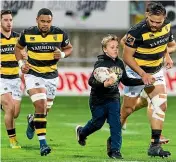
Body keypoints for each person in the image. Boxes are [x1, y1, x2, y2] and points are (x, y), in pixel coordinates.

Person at [120, 2, 176, 158]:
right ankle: (115, 136)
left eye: (158, 22)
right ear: (147, 15)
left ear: (164, 18)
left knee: (161, 104)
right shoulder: (137, 31)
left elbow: (168, 44)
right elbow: (126, 56)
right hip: (135, 72)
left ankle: (155, 145)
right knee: (127, 109)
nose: (155, 25)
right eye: (152, 21)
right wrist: (143, 74)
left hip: (156, 71)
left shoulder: (166, 26)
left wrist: (166, 56)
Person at [75, 34, 145, 159]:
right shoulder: (100, 63)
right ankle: (81, 132)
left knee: (116, 124)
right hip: (98, 99)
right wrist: (104, 84)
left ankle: (115, 151)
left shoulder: (119, 63)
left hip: (113, 98)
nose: (115, 49)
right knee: (97, 123)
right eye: (112, 47)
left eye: (117, 47)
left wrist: (143, 81)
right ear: (105, 49)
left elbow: (126, 81)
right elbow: (91, 81)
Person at [14, 8, 73, 156]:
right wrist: (22, 65)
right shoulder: (27, 33)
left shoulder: (59, 33)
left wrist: (63, 54)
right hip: (33, 74)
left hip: (51, 75)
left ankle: (32, 120)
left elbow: (69, 48)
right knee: (40, 105)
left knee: (45, 111)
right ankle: (43, 144)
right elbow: (18, 48)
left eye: (48, 21)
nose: (45, 24)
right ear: (37, 20)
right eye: (43, 21)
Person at [0, 9, 22, 149]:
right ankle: (13, 141)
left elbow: (24, 55)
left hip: (15, 79)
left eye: (10, 20)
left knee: (15, 113)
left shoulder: (19, 39)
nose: (9, 23)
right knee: (9, 106)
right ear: (0, 21)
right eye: (6, 20)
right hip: (2, 79)